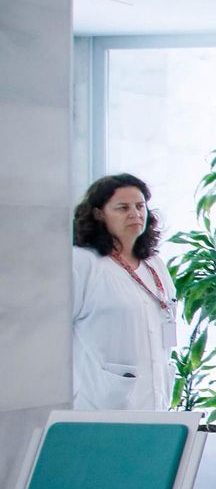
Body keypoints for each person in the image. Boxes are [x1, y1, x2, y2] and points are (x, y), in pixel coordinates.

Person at [70, 173, 177, 411]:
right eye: (122, 207)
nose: (135, 214)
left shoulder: (154, 264)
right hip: (102, 401)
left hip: (155, 396)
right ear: (99, 214)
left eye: (140, 206)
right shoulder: (84, 262)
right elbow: (55, 334)